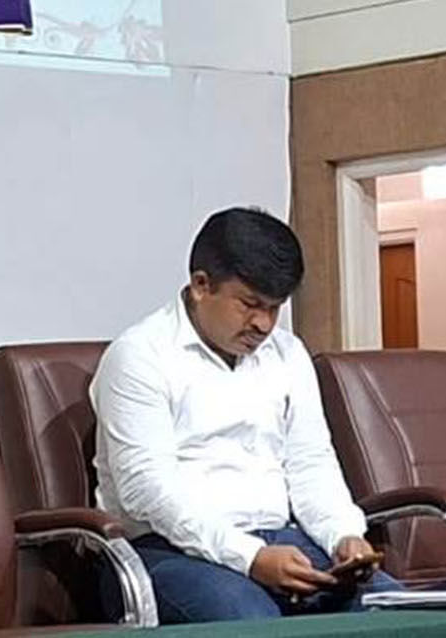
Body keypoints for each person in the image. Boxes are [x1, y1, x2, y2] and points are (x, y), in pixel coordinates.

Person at [90, 207, 397, 623]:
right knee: (251, 619)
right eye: (250, 305)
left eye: (275, 308)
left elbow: (310, 463)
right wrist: (250, 557)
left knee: (396, 611)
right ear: (201, 285)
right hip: (166, 551)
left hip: (282, 542)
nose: (264, 324)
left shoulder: (287, 354)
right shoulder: (139, 357)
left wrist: (342, 535)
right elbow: (149, 491)